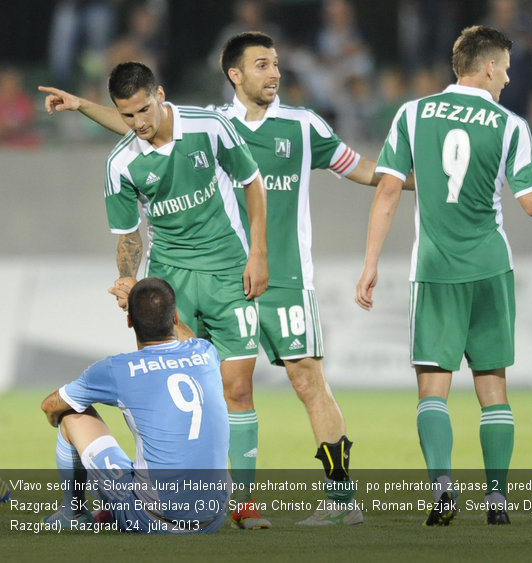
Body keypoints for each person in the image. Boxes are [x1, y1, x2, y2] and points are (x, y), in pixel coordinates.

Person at [40, 31, 408, 527]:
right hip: (204, 274)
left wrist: (416, 178)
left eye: (276, 63)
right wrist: (85, 106)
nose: (274, 72)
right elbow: (138, 125)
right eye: (262, 64)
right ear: (235, 74)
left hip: (280, 273)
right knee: (202, 386)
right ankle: (189, 498)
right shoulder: (214, 120)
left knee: (306, 381)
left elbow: (361, 168)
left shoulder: (301, 126)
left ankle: (340, 498)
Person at [354, 25, 532, 527]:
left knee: (432, 388)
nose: (507, 77)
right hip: (490, 267)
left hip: (434, 270)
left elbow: (388, 192)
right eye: (503, 67)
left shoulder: (412, 114)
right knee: (492, 387)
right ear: (485, 66)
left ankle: (442, 492)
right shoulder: (508, 124)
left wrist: (371, 262)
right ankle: (497, 500)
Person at [39, 61, 271, 529]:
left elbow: (252, 182)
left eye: (144, 110)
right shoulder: (122, 162)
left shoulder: (211, 127)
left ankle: (242, 505)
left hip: (229, 272)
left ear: (160, 94)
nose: (139, 123)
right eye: (127, 116)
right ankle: (153, 493)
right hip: (169, 282)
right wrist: (127, 278)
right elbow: (128, 237)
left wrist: (259, 252)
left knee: (238, 388)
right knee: (160, 392)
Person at [41, 277, 231, 533]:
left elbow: (50, 404)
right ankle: (109, 503)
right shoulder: (204, 352)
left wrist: (57, 422)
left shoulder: (116, 369)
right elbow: (188, 337)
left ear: (130, 322)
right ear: (174, 318)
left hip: (155, 521)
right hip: (214, 519)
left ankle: (73, 512)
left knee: (72, 414)